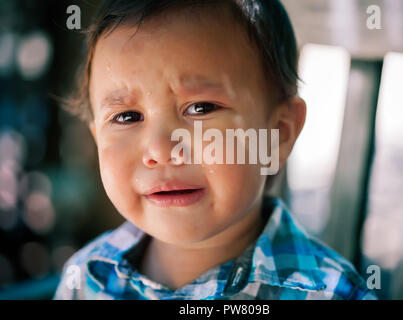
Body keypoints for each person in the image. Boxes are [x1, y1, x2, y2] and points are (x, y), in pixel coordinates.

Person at [53, 0, 377, 300]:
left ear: (278, 135)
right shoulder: (86, 279)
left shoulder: (327, 293)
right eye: (126, 117)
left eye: (200, 108)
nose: (161, 150)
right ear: (97, 138)